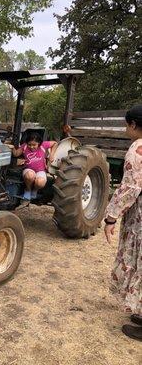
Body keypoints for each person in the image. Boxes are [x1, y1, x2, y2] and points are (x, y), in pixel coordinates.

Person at [103, 104, 142, 341]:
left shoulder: (137, 150)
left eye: (127, 125)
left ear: (134, 125)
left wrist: (111, 217)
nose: (126, 129)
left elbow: (130, 188)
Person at [11, 132, 58, 200]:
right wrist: (12, 148)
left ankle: (34, 190)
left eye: (34, 145)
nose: (31, 147)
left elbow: (55, 143)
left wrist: (52, 154)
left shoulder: (43, 145)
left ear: (39, 143)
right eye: (29, 144)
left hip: (41, 170)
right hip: (28, 169)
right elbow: (16, 154)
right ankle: (28, 190)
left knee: (40, 182)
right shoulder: (24, 146)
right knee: (30, 175)